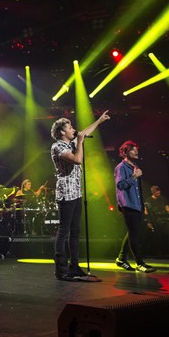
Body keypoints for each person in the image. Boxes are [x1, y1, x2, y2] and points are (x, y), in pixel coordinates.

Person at [50, 111, 109, 281]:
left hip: (76, 192)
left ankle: (74, 266)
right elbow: (77, 160)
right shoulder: (58, 146)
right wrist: (80, 142)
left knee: (75, 231)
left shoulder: (71, 143)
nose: (74, 129)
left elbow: (84, 132)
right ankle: (60, 269)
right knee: (64, 230)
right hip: (65, 192)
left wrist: (99, 121)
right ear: (62, 131)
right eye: (70, 127)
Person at [113, 141, 156, 273]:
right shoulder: (121, 167)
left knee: (133, 232)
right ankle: (139, 263)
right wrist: (134, 176)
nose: (136, 151)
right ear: (125, 152)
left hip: (137, 205)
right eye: (133, 150)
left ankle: (121, 258)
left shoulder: (134, 166)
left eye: (136, 149)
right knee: (134, 234)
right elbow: (120, 185)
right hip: (128, 205)